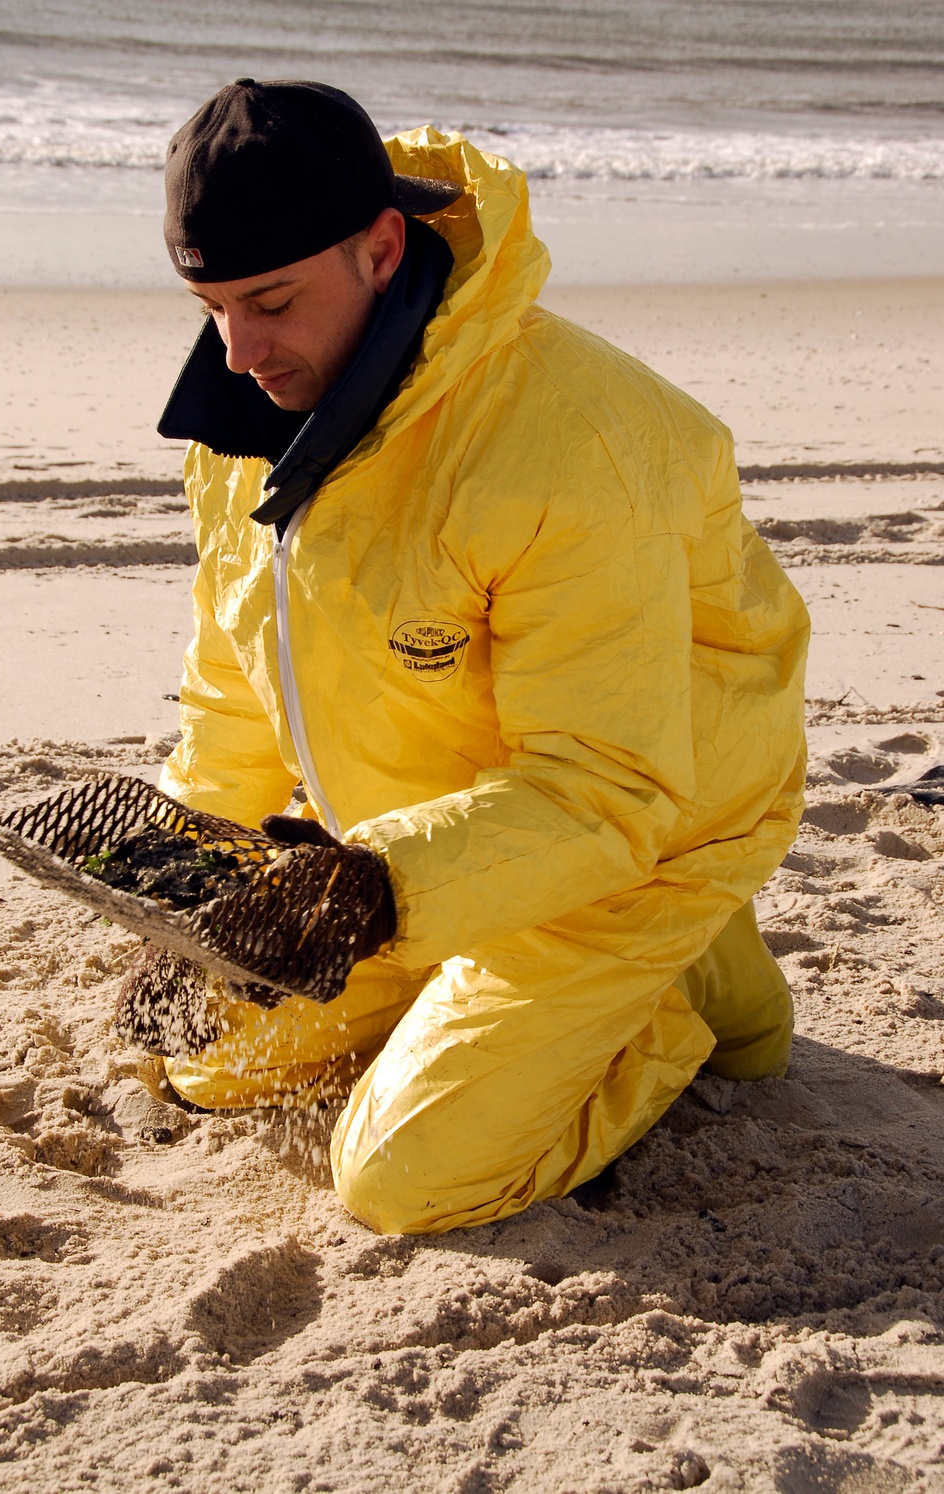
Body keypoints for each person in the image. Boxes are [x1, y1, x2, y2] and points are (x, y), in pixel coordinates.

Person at [150, 78, 809, 1235]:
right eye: (209, 308)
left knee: (403, 1179)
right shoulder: (248, 421)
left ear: (383, 248)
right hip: (440, 830)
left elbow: (605, 789)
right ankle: (527, 967)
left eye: (270, 301)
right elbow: (235, 687)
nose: (240, 351)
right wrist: (193, 888)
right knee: (202, 1059)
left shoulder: (572, 439)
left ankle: (666, 1001)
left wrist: (373, 889)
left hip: (645, 824)